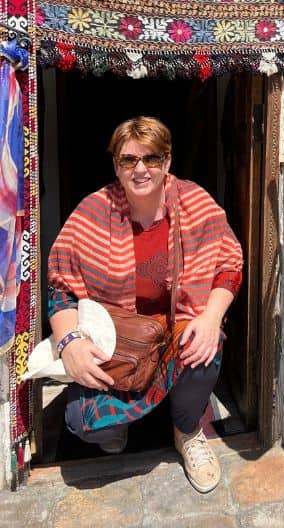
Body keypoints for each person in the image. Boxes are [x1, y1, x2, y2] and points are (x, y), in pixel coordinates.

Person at [47, 116, 243, 493]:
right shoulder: (92, 211)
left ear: (167, 162)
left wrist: (211, 315)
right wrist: (69, 343)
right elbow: (60, 286)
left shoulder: (194, 202)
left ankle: (186, 430)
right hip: (117, 341)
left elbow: (229, 265)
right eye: (128, 160)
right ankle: (123, 420)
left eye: (151, 159)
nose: (140, 169)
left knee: (205, 344)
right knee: (85, 424)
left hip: (173, 332)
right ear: (116, 167)